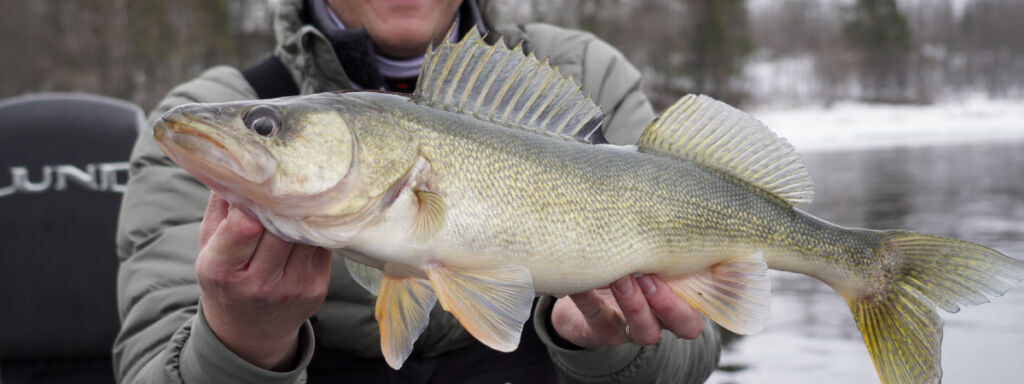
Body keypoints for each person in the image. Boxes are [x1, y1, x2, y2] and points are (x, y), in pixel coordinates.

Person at [113, 0, 722, 382]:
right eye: (267, 128)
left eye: (267, 129)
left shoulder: (588, 75)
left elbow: (701, 345)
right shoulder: (198, 117)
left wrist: (601, 346)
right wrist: (241, 339)